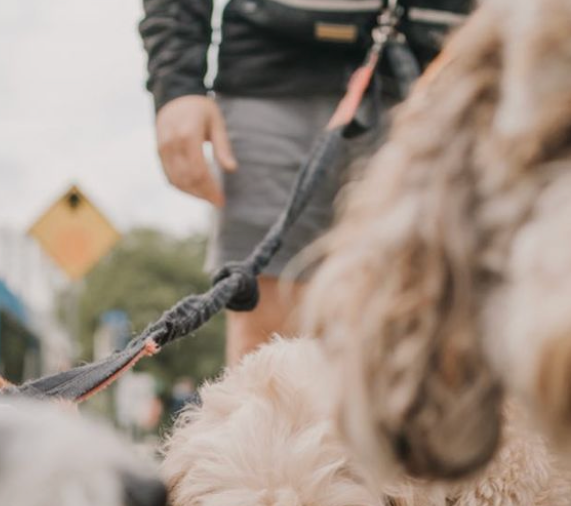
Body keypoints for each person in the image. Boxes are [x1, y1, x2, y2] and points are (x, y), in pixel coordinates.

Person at [140, 0, 473, 364]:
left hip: (447, 74)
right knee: (269, 344)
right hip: (272, 66)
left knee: (437, 336)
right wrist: (176, 83)